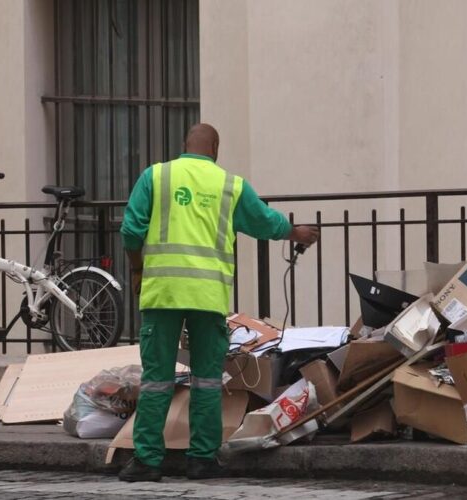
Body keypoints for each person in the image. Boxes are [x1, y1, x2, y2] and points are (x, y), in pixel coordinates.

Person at [117, 123, 319, 482]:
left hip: (162, 294)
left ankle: (147, 461)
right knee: (208, 379)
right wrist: (296, 233)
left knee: (156, 379)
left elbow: (132, 231)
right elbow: (264, 222)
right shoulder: (230, 185)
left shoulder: (156, 176)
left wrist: (138, 271)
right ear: (216, 150)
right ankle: (201, 459)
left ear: (184, 145)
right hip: (207, 297)